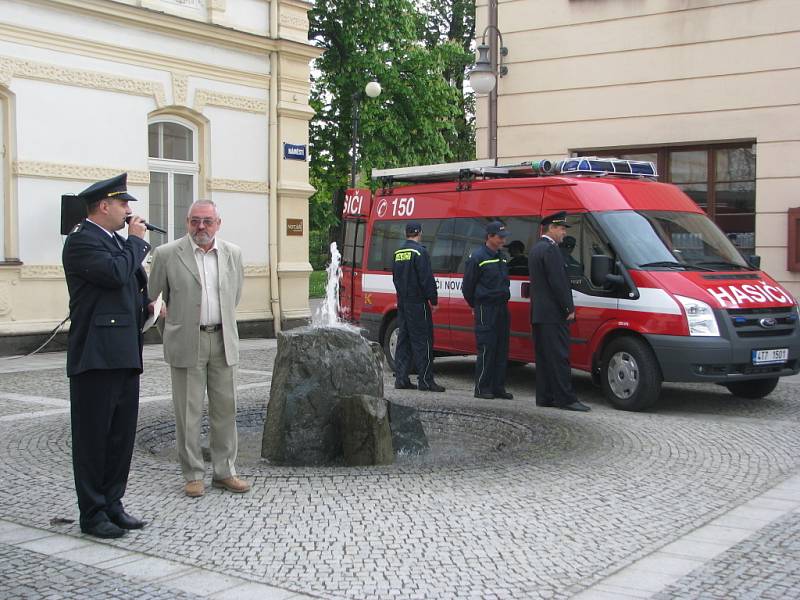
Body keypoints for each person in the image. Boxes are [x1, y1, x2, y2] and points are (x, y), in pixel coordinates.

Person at [62, 173, 153, 538]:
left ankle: (113, 503)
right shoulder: (82, 241)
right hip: (95, 357)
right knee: (93, 438)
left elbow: (124, 291)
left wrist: (146, 308)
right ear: (104, 206)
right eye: (123, 204)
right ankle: (93, 511)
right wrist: (136, 242)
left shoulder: (115, 243)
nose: (129, 211)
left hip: (124, 353)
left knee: (119, 437)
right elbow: (115, 275)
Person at [148, 200, 250, 498]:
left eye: (207, 221)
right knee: (188, 413)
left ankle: (225, 471)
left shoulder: (233, 254)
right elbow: (153, 301)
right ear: (187, 222)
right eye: (195, 221)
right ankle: (193, 474)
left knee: (226, 410)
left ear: (218, 223)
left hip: (222, 340)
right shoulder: (167, 254)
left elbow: (235, 296)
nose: (201, 227)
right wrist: (171, 331)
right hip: (186, 342)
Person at [528, 212, 590, 412]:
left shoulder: (537, 249)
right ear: (552, 228)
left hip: (540, 314)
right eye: (562, 228)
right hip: (554, 315)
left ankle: (545, 396)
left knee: (545, 357)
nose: (564, 232)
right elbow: (558, 282)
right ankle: (566, 399)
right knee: (559, 357)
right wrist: (568, 308)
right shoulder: (551, 250)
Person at [462, 221, 513, 400]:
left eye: (504, 237)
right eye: (500, 237)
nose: (503, 240)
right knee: (487, 348)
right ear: (490, 237)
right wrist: (476, 306)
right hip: (486, 308)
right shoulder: (478, 257)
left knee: (501, 348)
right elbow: (467, 287)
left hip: (501, 308)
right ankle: (482, 388)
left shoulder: (502, 256)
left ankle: (498, 387)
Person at [392, 222, 445, 392]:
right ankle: (426, 381)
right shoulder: (419, 252)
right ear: (419, 233)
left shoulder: (398, 253)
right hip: (417, 303)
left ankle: (401, 378)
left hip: (403, 302)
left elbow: (395, 278)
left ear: (406, 233)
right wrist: (433, 300)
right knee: (423, 340)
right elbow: (426, 279)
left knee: (403, 340)